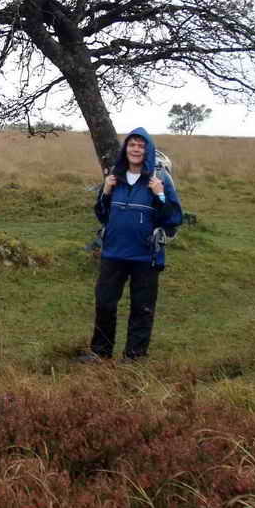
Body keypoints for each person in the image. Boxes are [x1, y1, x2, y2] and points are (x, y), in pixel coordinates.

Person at [83, 127, 183, 362]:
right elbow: (102, 215)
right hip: (113, 253)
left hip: (146, 256)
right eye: (132, 145)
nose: (136, 149)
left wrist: (159, 195)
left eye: (141, 145)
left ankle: (134, 356)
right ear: (125, 149)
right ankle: (100, 353)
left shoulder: (159, 180)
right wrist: (105, 192)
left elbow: (173, 219)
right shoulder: (114, 178)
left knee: (142, 308)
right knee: (105, 303)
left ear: (147, 151)